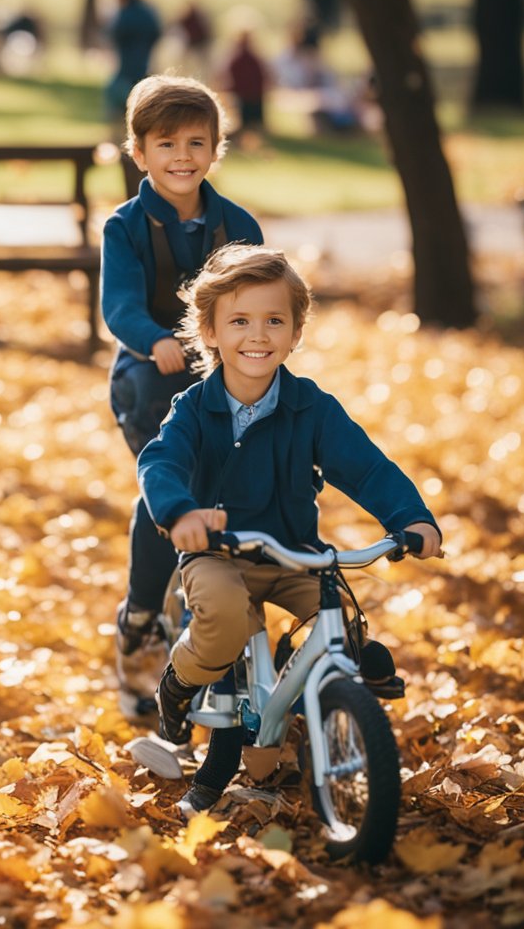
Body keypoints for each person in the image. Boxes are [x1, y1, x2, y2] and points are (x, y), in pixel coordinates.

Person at [138, 243, 442, 815]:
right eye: (240, 321)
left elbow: (366, 465)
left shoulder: (311, 407)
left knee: (342, 623)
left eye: (275, 320)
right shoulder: (193, 409)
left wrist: (410, 518)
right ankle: (178, 684)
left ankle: (302, 708)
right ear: (210, 331)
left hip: (293, 554)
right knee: (225, 621)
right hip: (217, 554)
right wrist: (180, 513)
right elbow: (161, 462)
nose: (259, 335)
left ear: (296, 332)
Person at [100, 75, 263, 718]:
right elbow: (119, 305)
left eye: (197, 142)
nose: (182, 156)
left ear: (216, 150)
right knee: (169, 488)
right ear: (139, 153)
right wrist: (155, 340)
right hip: (150, 378)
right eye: (166, 143)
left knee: (254, 481)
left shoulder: (237, 223)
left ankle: (238, 627)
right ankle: (141, 614)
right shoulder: (127, 226)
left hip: (224, 377)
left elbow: (261, 292)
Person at [105, 0, 163, 195]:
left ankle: (122, 156)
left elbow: (112, 33)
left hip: (125, 75)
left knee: (119, 129)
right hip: (143, 74)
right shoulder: (148, 14)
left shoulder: (124, 15)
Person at [218, 30, 270, 144]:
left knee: (247, 123)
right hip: (248, 95)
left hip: (247, 95)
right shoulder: (248, 58)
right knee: (248, 123)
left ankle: (246, 141)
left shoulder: (238, 58)